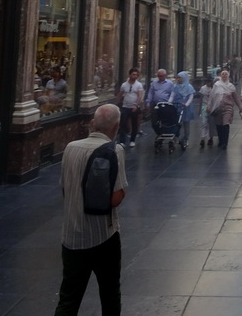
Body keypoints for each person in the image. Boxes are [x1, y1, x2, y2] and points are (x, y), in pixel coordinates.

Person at [53, 103, 127, 316]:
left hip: (71, 236)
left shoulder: (70, 147)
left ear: (93, 123)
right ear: (116, 126)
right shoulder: (116, 150)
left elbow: (65, 190)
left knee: (69, 297)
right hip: (103, 235)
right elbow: (114, 198)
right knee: (110, 292)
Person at [208, 69, 242, 149]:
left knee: (225, 123)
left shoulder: (231, 86)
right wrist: (209, 105)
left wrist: (240, 106)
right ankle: (221, 140)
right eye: (223, 74)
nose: (224, 76)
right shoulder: (216, 85)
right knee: (219, 124)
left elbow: (235, 97)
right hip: (218, 107)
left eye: (226, 74)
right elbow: (211, 96)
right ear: (220, 76)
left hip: (228, 107)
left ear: (228, 76)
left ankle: (225, 142)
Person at [116, 68, 143, 148]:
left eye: (136, 75)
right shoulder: (124, 85)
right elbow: (120, 94)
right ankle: (122, 141)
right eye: (133, 74)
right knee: (123, 124)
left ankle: (132, 140)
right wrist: (116, 103)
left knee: (134, 124)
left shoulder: (138, 85)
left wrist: (136, 105)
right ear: (129, 75)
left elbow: (140, 96)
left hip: (134, 107)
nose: (135, 76)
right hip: (125, 106)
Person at [172, 71, 196, 149]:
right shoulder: (175, 87)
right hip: (177, 105)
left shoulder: (189, 87)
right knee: (177, 123)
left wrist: (187, 104)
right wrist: (169, 102)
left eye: (179, 77)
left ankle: (186, 138)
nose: (178, 79)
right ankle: (176, 136)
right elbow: (172, 95)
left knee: (186, 124)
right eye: (177, 77)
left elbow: (191, 97)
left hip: (186, 107)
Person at [198, 76, 217, 147]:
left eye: (209, 82)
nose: (208, 83)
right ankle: (202, 138)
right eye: (207, 82)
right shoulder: (203, 88)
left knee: (211, 123)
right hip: (204, 106)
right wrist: (199, 109)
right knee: (204, 122)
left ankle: (210, 138)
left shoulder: (214, 88)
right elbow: (201, 98)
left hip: (212, 107)